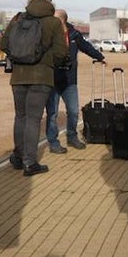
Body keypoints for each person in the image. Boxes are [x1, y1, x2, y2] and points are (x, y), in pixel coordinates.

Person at [0, 0, 67, 176]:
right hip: (42, 77)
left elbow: (3, 45)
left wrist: (20, 56)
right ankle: (30, 162)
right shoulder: (53, 22)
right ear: (49, 3)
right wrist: (45, 61)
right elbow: (62, 52)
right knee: (33, 119)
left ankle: (18, 157)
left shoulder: (18, 19)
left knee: (20, 116)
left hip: (18, 77)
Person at [46, 8, 106, 153]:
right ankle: (53, 141)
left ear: (62, 20)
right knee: (52, 113)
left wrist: (100, 57)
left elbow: (86, 47)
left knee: (73, 111)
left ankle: (72, 136)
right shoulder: (48, 34)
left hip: (70, 81)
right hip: (51, 80)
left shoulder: (74, 34)